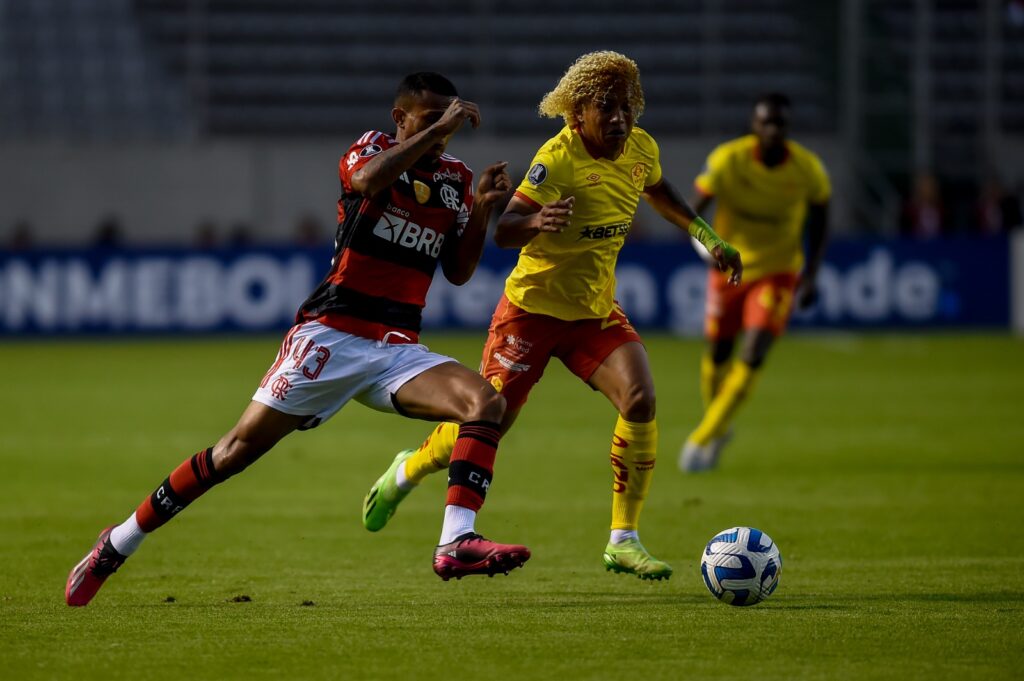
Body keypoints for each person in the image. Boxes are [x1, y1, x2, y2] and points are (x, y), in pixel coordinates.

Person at [65, 72, 528, 606]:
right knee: (232, 453)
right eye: (429, 120)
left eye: (449, 122)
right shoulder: (371, 149)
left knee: (484, 403)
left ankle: (455, 540)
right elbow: (368, 182)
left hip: (397, 348)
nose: (444, 133)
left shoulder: (454, 178)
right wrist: (432, 132)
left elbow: (459, 270)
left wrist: (485, 206)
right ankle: (119, 542)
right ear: (400, 119)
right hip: (331, 336)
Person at [360, 51, 742, 580]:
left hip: (593, 311)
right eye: (606, 108)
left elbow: (658, 189)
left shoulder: (641, 148)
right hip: (531, 312)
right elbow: (505, 230)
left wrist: (707, 235)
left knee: (641, 398)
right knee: (488, 420)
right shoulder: (557, 159)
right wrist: (538, 219)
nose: (620, 119)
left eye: (626, 107)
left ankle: (623, 539)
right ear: (576, 113)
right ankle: (411, 467)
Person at [678, 92, 830, 472]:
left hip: (778, 271)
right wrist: (707, 247)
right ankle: (719, 424)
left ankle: (702, 437)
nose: (773, 130)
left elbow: (822, 221)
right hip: (730, 269)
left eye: (780, 124)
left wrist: (810, 274)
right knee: (718, 354)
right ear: (755, 126)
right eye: (767, 123)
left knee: (754, 351)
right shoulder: (728, 160)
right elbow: (692, 210)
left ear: (787, 128)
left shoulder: (808, 169)